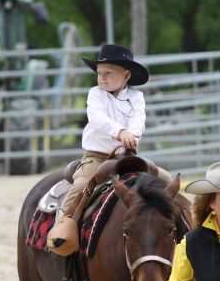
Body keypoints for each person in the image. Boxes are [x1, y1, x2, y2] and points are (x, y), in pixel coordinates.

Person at [47, 43, 169, 256]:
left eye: (108, 73)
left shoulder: (136, 97)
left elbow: (138, 120)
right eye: (99, 73)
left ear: (126, 75)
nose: (102, 78)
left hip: (128, 156)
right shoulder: (95, 94)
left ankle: (183, 224)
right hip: (97, 157)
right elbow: (97, 119)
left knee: (166, 181)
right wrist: (121, 131)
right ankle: (63, 225)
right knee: (82, 184)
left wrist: (131, 134)